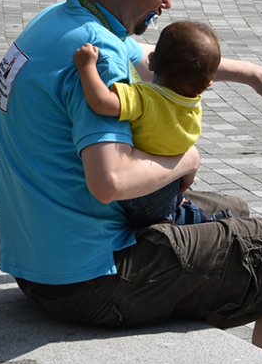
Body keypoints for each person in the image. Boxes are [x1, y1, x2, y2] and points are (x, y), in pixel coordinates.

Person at [0, 0, 262, 363]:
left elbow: (155, 59)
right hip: (91, 281)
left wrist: (255, 75)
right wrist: (184, 160)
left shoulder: (62, 23)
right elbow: (108, 181)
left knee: (234, 212)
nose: (168, 3)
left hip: (38, 266)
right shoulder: (102, 63)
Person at [72, 20, 226, 227]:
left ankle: (171, 220)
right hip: (171, 184)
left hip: (142, 194)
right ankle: (190, 216)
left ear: (151, 61)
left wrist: (86, 66)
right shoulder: (192, 106)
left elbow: (101, 102)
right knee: (176, 205)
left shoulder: (144, 98)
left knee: (158, 216)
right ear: (207, 85)